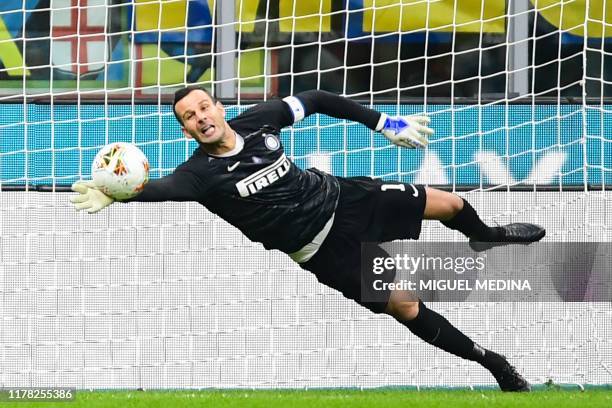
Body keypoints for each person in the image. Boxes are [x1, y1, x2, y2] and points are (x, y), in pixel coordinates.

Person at [71, 86, 545, 391]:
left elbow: (316, 99)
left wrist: (382, 123)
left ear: (219, 107)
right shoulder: (198, 176)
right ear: (186, 130)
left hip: (347, 199)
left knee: (452, 205)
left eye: (203, 107)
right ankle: (494, 364)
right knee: (405, 305)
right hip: (323, 250)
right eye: (189, 117)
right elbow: (159, 189)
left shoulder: (262, 119)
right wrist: (117, 193)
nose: (200, 117)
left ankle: (485, 237)